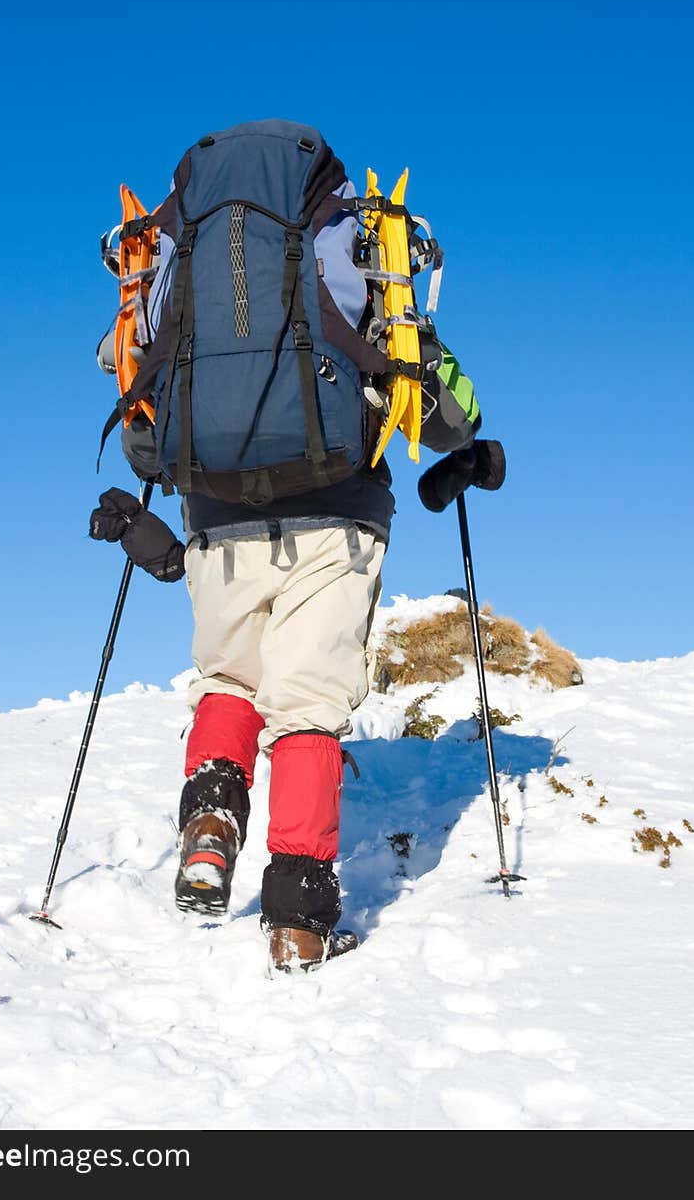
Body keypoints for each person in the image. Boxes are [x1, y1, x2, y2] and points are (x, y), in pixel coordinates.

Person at [95, 119, 491, 974]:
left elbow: (129, 377)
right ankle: (299, 918)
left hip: (215, 510)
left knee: (230, 678)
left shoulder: (183, 245)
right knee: (307, 705)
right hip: (340, 512)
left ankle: (209, 819)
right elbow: (441, 391)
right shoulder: (354, 239)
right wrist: (469, 438)